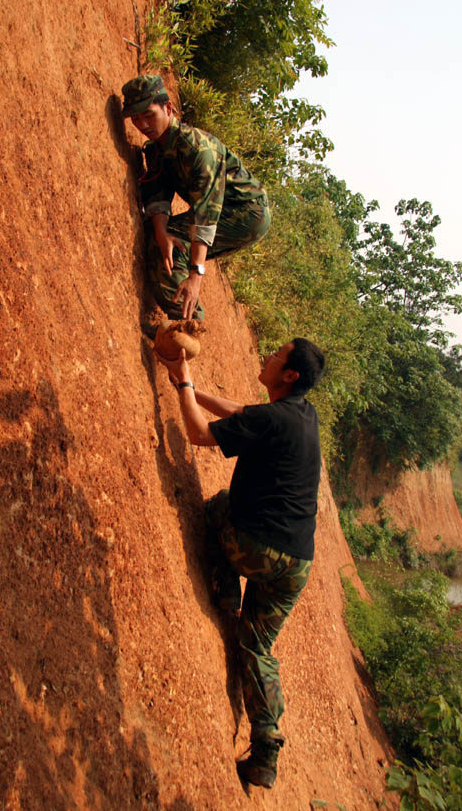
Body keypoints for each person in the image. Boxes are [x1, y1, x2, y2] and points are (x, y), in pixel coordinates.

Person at [155, 337, 325, 789]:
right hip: (296, 566)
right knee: (255, 647)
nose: (268, 355)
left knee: (216, 508)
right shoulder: (302, 415)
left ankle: (226, 586)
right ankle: (266, 750)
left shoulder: (273, 417)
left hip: (257, 549)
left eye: (277, 355)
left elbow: (199, 434)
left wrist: (186, 380)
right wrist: (183, 384)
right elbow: (241, 414)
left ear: (289, 375)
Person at [121, 75, 270, 321]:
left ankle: (188, 323)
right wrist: (161, 232)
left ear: (168, 108)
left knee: (171, 250)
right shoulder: (159, 147)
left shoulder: (198, 150)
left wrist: (195, 276)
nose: (143, 124)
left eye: (149, 115)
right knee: (163, 243)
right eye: (136, 118)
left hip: (246, 213)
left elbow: (206, 215)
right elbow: (158, 193)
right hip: (219, 211)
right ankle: (185, 321)